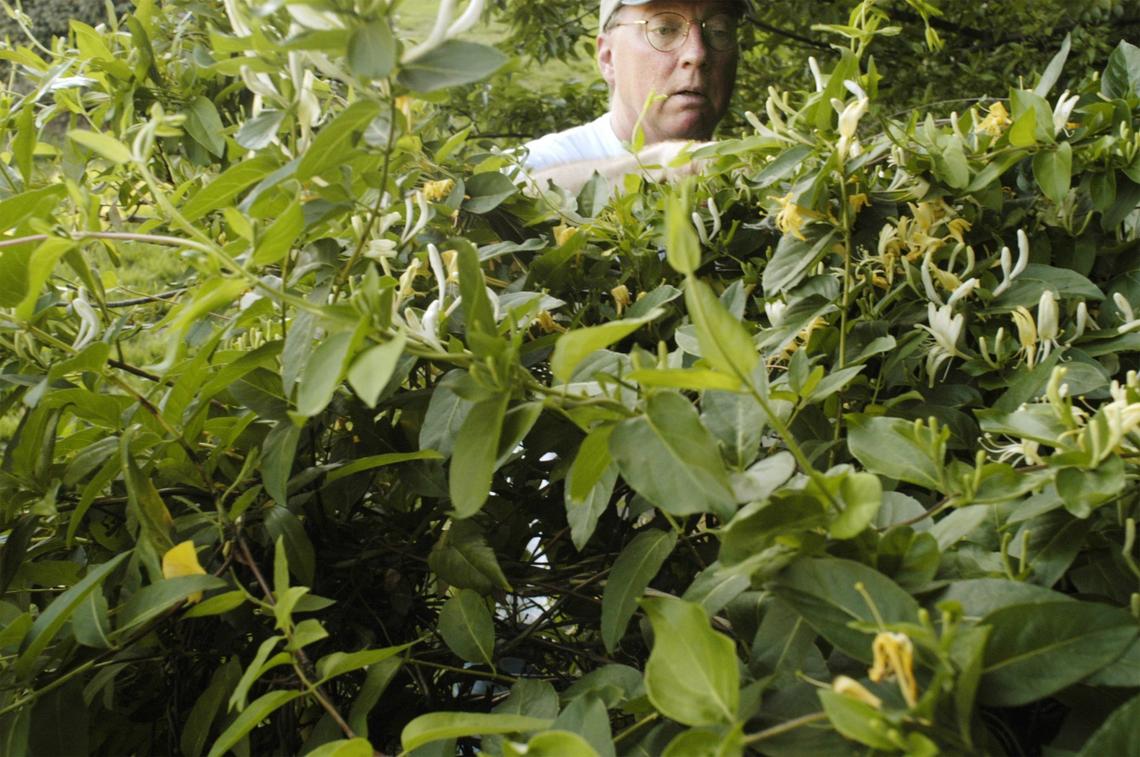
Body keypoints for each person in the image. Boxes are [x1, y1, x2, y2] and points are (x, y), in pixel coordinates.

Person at [519, 0, 744, 193]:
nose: (697, 54)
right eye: (664, 29)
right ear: (608, 58)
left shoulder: (751, 187)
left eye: (719, 31)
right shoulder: (541, 162)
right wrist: (660, 165)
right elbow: (508, 201)